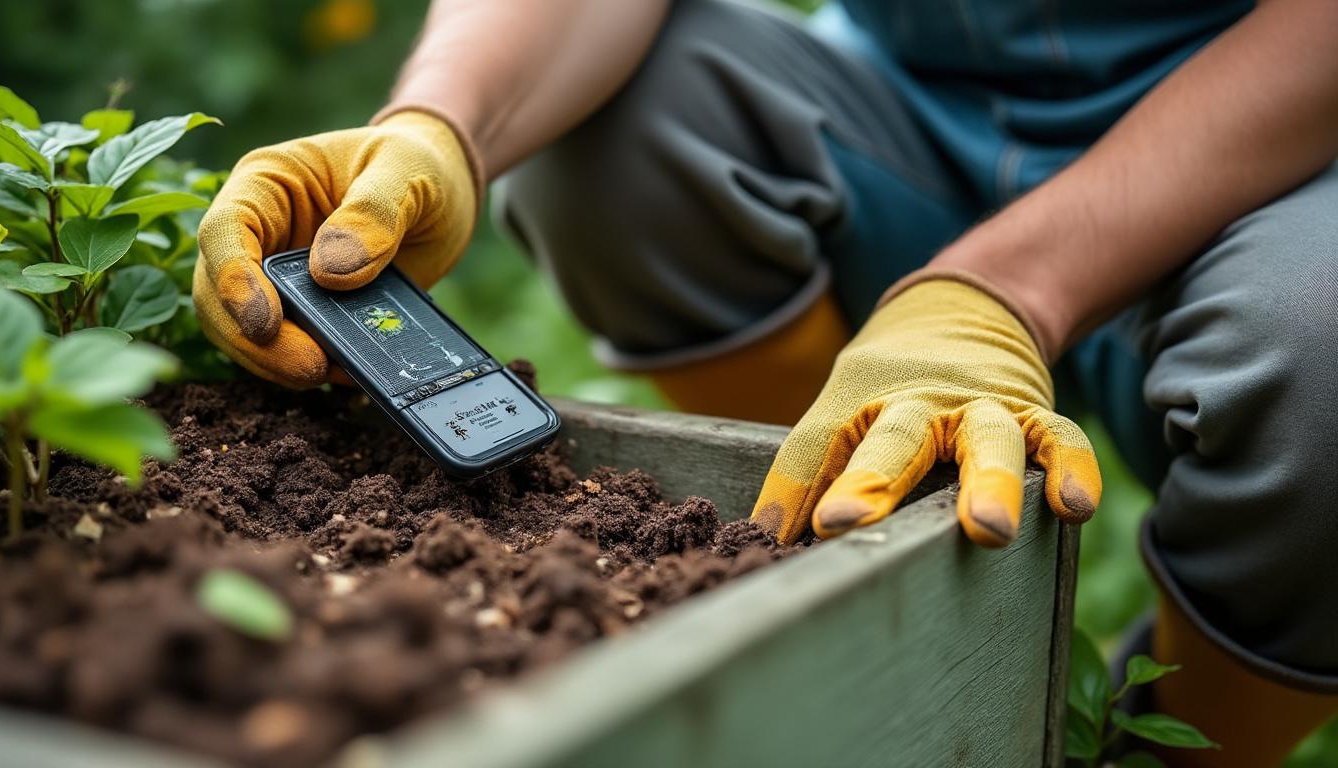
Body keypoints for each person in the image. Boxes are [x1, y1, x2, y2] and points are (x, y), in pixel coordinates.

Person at [193, 0, 1338, 763]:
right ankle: (868, 585)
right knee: (624, 141)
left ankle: (1156, 750)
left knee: (1319, 351)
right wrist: (444, 124)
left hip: (1282, 151)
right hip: (913, 124)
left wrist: (1006, 288)